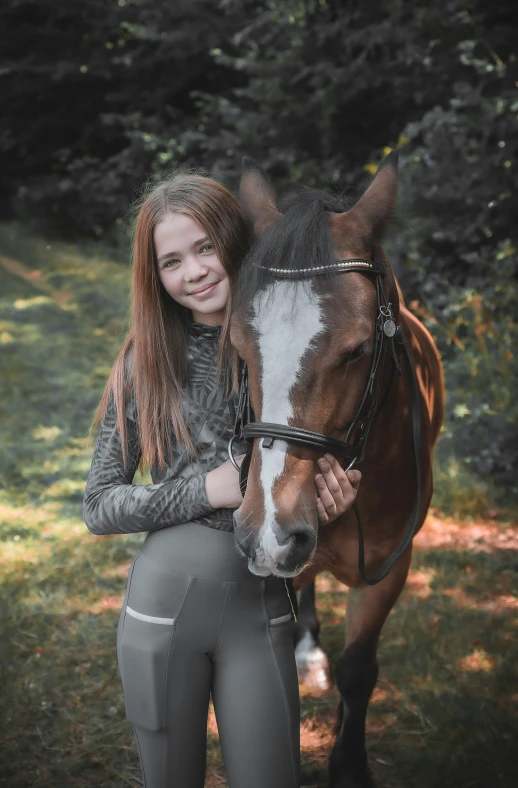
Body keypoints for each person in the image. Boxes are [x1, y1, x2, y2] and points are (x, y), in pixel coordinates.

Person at [82, 171, 361, 788]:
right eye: (172, 261)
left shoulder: (286, 348)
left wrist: (324, 502)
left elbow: (297, 470)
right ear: (155, 277)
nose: (196, 272)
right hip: (162, 609)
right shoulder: (147, 358)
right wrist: (209, 489)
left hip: (259, 611)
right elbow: (99, 504)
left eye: (207, 247)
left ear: (238, 242)